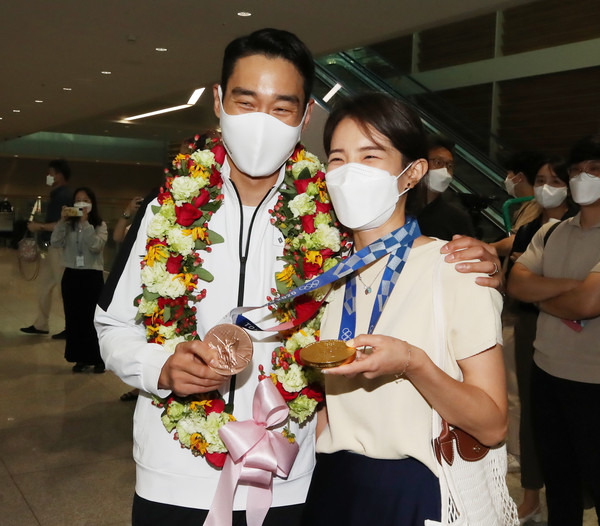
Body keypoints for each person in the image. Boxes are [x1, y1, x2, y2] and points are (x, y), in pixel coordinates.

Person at [94, 29, 504, 525]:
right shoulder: (164, 212)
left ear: (305, 115)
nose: (262, 122)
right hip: (174, 470)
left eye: (282, 108)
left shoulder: (333, 222)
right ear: (219, 102)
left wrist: (483, 256)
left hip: (292, 477)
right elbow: (113, 326)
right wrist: (158, 368)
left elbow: (400, 247)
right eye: (246, 102)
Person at [301, 93, 508, 526]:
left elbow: (492, 425)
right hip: (334, 484)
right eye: (337, 158)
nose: (349, 171)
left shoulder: (455, 269)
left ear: (412, 172)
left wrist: (414, 364)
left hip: (415, 490)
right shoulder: (330, 279)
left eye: (370, 155)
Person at [507, 134, 600, 525]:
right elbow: (517, 283)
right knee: (559, 484)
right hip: (547, 373)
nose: (583, 178)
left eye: (594, 171)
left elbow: (588, 304)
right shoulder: (553, 231)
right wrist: (570, 287)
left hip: (593, 382)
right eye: (577, 171)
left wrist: (543, 296)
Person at [505, 157, 577, 523]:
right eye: (540, 180)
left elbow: (589, 300)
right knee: (536, 414)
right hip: (533, 328)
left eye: (555, 180)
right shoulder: (537, 227)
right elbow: (515, 282)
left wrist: (538, 284)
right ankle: (533, 495)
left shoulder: (578, 228)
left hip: (580, 346)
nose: (546, 187)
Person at [52, 187, 107, 373]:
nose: (82, 203)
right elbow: (55, 242)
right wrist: (62, 221)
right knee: (75, 318)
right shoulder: (68, 225)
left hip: (92, 277)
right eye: (78, 200)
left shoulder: (100, 225)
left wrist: (85, 224)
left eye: (85, 200)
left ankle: (98, 358)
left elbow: (96, 247)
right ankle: (80, 358)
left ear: (92, 203)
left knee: (93, 319)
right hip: (72, 275)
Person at [20, 159, 73, 337]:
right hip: (53, 248)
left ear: (59, 175)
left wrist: (39, 227)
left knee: (63, 288)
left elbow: (62, 223)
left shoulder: (63, 196)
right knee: (44, 285)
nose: (48, 177)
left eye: (51, 173)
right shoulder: (58, 194)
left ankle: (71, 327)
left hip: (60, 248)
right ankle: (41, 323)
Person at [417, 134, 476, 240]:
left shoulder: (457, 218)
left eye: (449, 166)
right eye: (438, 162)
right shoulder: (400, 209)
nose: (445, 171)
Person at [492, 151, 545, 257]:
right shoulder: (528, 205)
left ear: (519, 177)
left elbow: (514, 243)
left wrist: (487, 247)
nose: (506, 179)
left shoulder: (535, 206)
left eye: (509, 174)